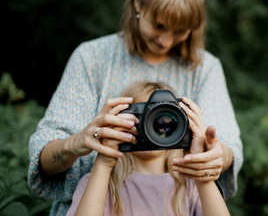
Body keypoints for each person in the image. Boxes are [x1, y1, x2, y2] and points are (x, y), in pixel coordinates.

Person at [28, 0, 242, 216]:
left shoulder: (204, 68)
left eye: (180, 30)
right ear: (137, 1)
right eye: (159, 25)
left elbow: (228, 147)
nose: (165, 41)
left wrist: (213, 157)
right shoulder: (93, 57)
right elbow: (43, 158)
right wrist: (80, 142)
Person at [66, 81, 230, 216]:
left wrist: (201, 173)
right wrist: (104, 162)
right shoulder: (100, 183)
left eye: (164, 118)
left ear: (182, 124)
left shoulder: (191, 186)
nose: (154, 126)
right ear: (119, 121)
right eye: (143, 116)